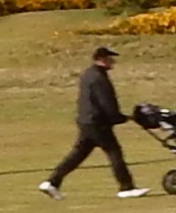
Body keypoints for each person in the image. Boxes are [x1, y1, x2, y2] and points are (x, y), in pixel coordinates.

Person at [39, 46, 149, 199]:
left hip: (86, 121)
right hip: (98, 122)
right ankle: (126, 187)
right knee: (114, 152)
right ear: (102, 59)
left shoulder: (88, 75)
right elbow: (106, 102)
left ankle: (52, 182)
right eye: (110, 58)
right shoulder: (99, 78)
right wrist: (119, 117)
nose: (113, 62)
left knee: (78, 155)